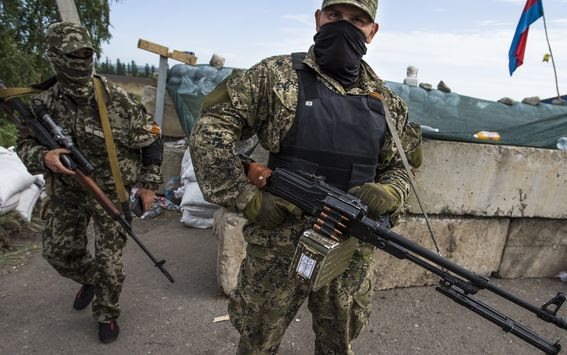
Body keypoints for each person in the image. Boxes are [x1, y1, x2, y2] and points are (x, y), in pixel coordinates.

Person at [190, 0, 422, 353]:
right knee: (257, 338)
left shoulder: (387, 102)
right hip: (278, 246)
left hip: (349, 248)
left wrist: (390, 191)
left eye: (357, 20)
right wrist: (246, 197)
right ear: (318, 19)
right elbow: (211, 131)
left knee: (338, 341)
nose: (345, 27)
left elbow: (403, 166)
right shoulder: (274, 76)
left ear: (372, 32)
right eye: (335, 16)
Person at [16, 22, 163, 344]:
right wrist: (44, 157)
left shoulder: (117, 99)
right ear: (55, 57)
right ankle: (91, 278)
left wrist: (150, 185)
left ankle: (106, 314)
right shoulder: (41, 103)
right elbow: (24, 143)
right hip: (67, 192)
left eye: (87, 54)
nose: (81, 61)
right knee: (58, 253)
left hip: (112, 193)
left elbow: (152, 140)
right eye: (73, 55)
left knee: (111, 263)